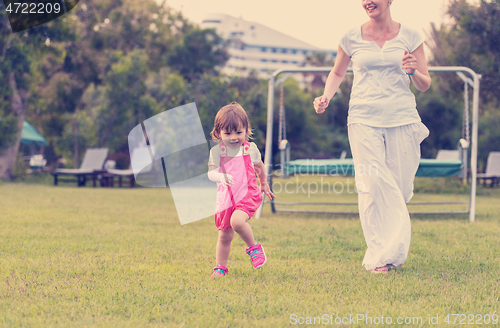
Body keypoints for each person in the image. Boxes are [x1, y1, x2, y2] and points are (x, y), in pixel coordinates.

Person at [313, 0, 432, 274]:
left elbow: (425, 84)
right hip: (363, 117)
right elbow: (337, 72)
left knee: (399, 189)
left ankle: (390, 250)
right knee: (373, 184)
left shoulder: (411, 36)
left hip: (401, 118)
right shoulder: (351, 36)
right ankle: (380, 256)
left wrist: (414, 72)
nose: (368, 1)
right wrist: (325, 97)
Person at [207, 102, 275, 277]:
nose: (233, 137)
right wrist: (220, 177)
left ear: (246, 130)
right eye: (227, 133)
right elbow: (211, 174)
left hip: (246, 195)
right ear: (218, 133)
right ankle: (220, 267)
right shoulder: (217, 152)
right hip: (226, 199)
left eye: (238, 132)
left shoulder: (249, 149)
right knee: (224, 236)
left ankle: (254, 248)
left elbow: (259, 166)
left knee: (237, 222)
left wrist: (264, 183)